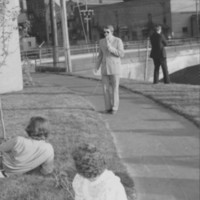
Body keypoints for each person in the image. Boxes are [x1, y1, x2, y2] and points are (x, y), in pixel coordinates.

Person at [95, 25, 124, 114]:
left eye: (107, 32)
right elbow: (100, 56)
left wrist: (111, 48)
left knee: (115, 88)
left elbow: (121, 54)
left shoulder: (118, 40)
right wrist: (96, 67)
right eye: (104, 32)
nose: (105, 33)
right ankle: (108, 108)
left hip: (115, 68)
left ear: (112, 32)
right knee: (105, 89)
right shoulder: (101, 41)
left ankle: (114, 108)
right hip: (105, 68)